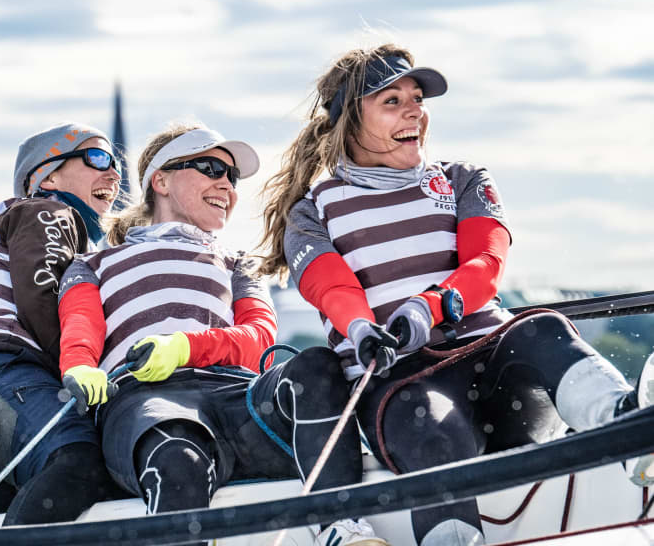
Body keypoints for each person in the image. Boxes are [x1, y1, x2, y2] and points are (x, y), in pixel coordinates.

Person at [258, 44, 654, 546]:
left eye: (417, 98)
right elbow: (330, 286)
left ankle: (628, 430)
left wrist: (433, 305)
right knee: (430, 426)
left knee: (541, 328)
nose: (415, 111)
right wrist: (361, 329)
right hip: (408, 387)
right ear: (349, 122)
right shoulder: (312, 211)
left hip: (496, 371)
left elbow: (484, 264)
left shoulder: (463, 178)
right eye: (392, 101)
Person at [56, 123, 386, 546]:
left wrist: (184, 347)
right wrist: (80, 368)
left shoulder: (236, 262)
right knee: (178, 457)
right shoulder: (93, 263)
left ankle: (343, 528)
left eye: (231, 177)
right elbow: (80, 327)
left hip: (238, 400)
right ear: (160, 180)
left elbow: (260, 337)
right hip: (145, 400)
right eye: (211, 168)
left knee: (316, 366)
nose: (226, 185)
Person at [0, 122, 125, 525]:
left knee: (16, 509)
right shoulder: (48, 211)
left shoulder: (0, 226)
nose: (114, 173)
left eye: (116, 163)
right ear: (47, 176)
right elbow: (42, 299)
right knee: (78, 457)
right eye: (97, 158)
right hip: (0, 374)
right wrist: (87, 374)